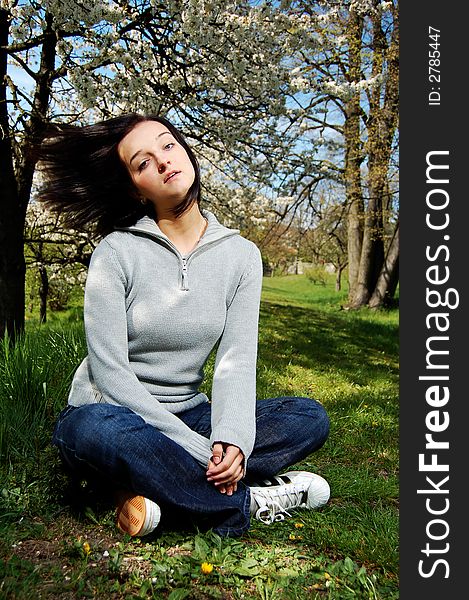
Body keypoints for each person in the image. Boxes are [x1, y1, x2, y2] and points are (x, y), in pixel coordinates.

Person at [38, 113, 330, 538]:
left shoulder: (242, 255)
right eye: (142, 163)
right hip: (109, 413)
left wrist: (231, 441)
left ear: (185, 151)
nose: (162, 161)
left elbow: (236, 360)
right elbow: (110, 373)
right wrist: (197, 449)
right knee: (100, 431)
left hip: (191, 413)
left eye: (168, 145)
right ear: (136, 189)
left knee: (308, 417)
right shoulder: (116, 252)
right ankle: (246, 501)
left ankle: (143, 491)